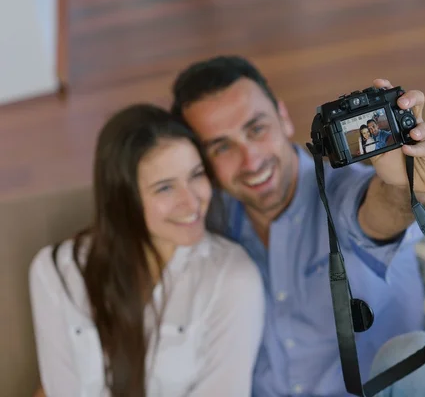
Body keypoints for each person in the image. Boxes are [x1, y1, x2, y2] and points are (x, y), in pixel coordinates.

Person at [170, 55, 425, 396]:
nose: (250, 160)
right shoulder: (203, 225)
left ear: (283, 117)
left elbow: (380, 216)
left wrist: (408, 187)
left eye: (256, 129)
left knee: (419, 359)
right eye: (221, 147)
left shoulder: (344, 190)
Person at [28, 104, 265, 397]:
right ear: (123, 198)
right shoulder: (56, 272)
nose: (192, 203)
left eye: (196, 175)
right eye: (165, 188)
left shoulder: (233, 279)